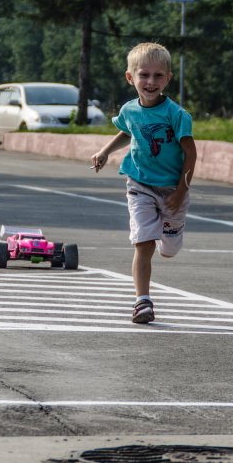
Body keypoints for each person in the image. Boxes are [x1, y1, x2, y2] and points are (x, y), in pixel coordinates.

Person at [91, 42, 196, 324]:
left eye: (158, 76)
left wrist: (181, 190)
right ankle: (142, 302)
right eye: (144, 75)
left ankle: (170, 231)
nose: (150, 82)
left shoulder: (177, 115)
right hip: (139, 184)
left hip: (173, 189)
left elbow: (191, 153)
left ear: (168, 78)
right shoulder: (129, 110)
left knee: (169, 251)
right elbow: (127, 132)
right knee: (143, 242)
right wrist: (104, 152)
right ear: (130, 77)